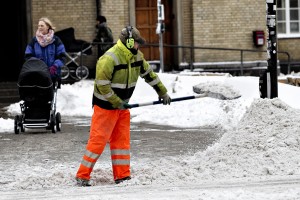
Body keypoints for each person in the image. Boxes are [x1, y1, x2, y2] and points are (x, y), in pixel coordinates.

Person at [75, 26, 171, 186]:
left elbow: (149, 75)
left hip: (122, 107)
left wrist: (162, 92)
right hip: (105, 107)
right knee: (98, 142)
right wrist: (117, 102)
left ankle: (122, 175)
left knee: (121, 142)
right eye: (137, 43)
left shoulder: (137, 57)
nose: (139, 46)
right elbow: (102, 86)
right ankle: (82, 175)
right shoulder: (109, 59)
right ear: (129, 42)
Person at [24, 17, 66, 86]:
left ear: (48, 27)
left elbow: (62, 56)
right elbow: (27, 56)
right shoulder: (34, 41)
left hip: (53, 75)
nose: (39, 27)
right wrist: (36, 62)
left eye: (42, 25)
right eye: (38, 26)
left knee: (50, 96)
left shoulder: (56, 40)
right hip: (38, 75)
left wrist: (55, 66)